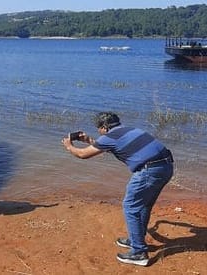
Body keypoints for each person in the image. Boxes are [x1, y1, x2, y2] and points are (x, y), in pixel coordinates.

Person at [62, 111, 174, 266]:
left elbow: (83, 154)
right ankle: (137, 240)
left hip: (149, 171)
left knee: (131, 207)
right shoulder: (130, 130)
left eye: (99, 129)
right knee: (143, 205)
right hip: (166, 166)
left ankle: (139, 253)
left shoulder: (108, 137)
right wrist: (88, 140)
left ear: (104, 127)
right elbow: (110, 146)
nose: (99, 132)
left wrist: (69, 146)